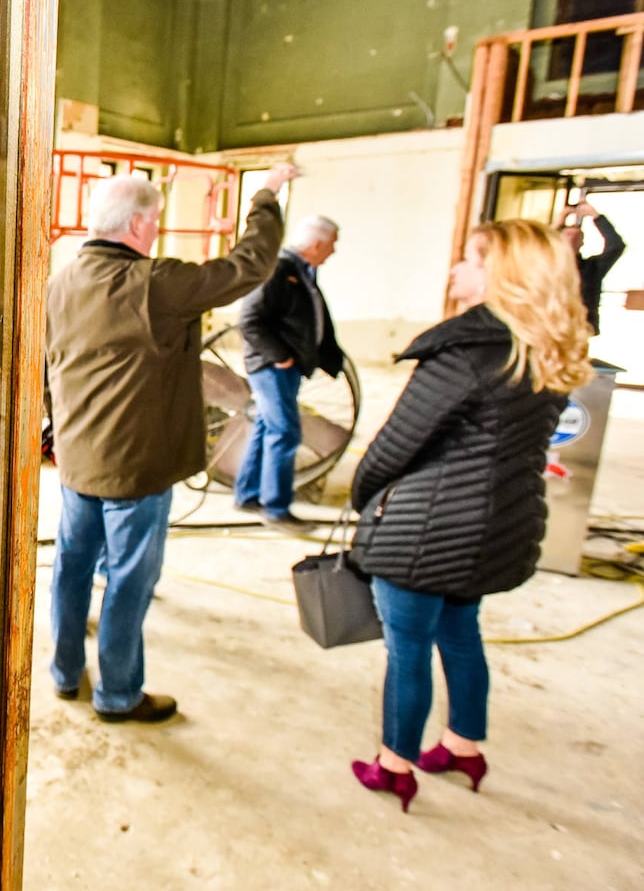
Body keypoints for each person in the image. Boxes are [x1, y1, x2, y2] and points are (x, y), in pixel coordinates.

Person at [347, 218, 593, 811]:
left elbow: (396, 444)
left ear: (500, 274)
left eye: (470, 259)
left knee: (407, 649)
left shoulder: (465, 354)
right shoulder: (543, 345)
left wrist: (364, 496)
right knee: (460, 636)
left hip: (428, 531)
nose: (457, 268)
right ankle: (462, 747)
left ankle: (394, 765)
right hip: (498, 527)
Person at [43, 164, 295, 722]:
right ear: (135, 224)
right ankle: (117, 695)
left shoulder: (60, 282)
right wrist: (266, 195)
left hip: (77, 459)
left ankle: (64, 674)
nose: (155, 231)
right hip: (137, 468)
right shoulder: (155, 283)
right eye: (154, 221)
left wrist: (54, 430)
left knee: (72, 568)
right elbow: (247, 265)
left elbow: (46, 367)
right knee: (129, 582)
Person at [233, 213, 345, 530]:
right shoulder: (279, 270)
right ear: (317, 243)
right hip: (271, 366)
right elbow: (250, 321)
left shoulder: (301, 271)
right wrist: (280, 356)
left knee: (267, 428)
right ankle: (276, 508)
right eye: (331, 245)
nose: (333, 251)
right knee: (284, 432)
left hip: (286, 366)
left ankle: (247, 494)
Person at [558, 200, 625, 335]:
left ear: (582, 242)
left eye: (577, 236)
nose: (572, 239)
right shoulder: (544, 265)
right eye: (567, 235)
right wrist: (559, 221)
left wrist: (595, 216)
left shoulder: (592, 268)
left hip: (580, 327)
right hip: (545, 325)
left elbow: (615, 246)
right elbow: (533, 248)